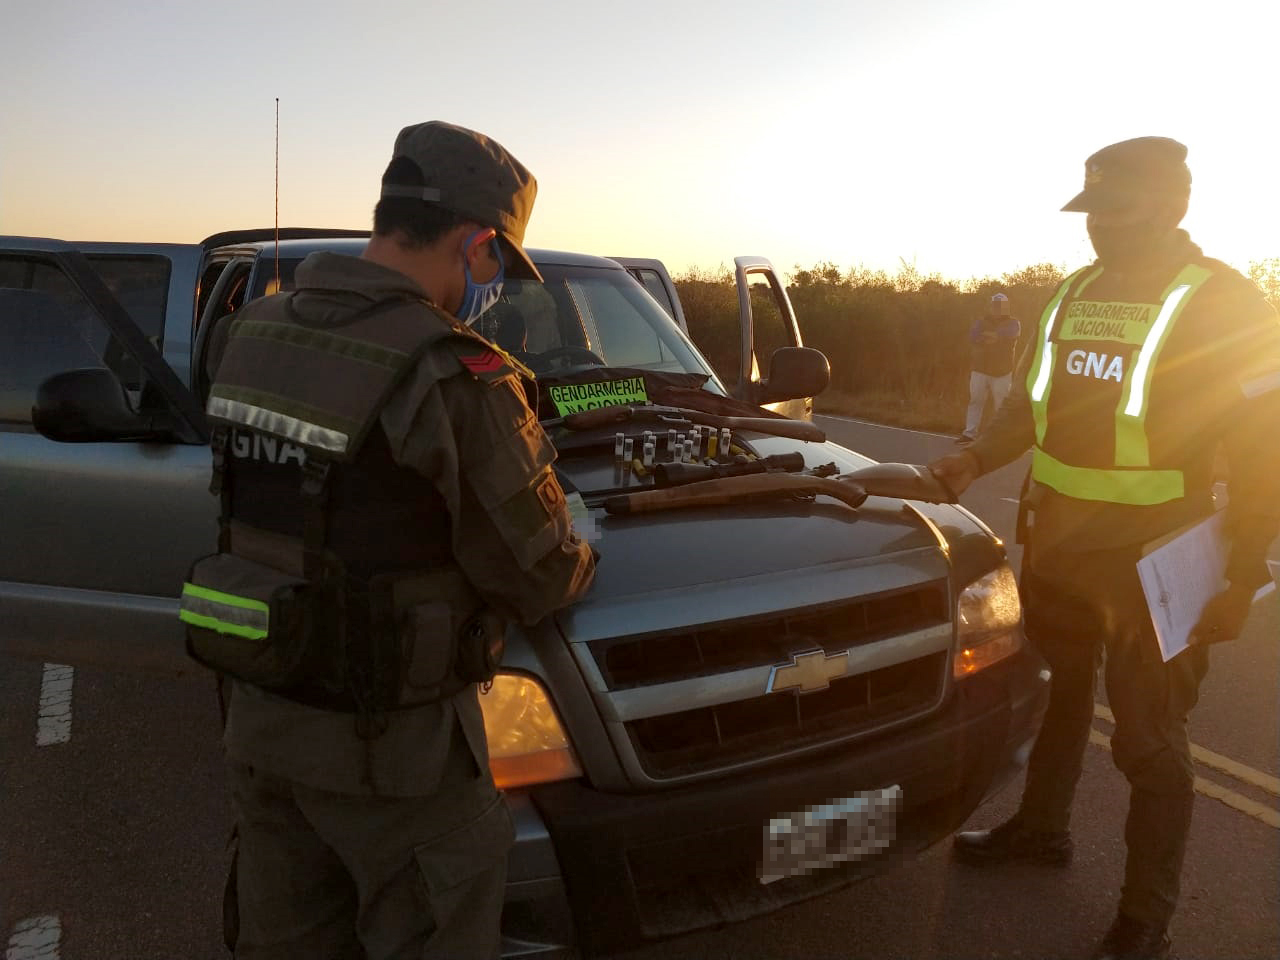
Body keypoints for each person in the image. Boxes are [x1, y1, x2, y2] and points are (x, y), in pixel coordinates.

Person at [187, 121, 596, 959]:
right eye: (494, 265)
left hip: (263, 723)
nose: (489, 287)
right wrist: (581, 534)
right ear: (476, 243)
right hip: (398, 765)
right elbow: (541, 576)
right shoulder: (452, 372)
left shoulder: (249, 335)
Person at [930, 137, 1280, 960]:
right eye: (1090, 214)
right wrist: (975, 456)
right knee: (1056, 696)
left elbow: (1266, 452)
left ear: (1171, 207)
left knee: (1149, 741)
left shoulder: (1226, 302)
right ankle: (1041, 832)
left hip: (1155, 561)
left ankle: (1145, 917)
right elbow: (1029, 407)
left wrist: (1242, 573)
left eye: (1115, 212)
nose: (1098, 230)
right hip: (1059, 545)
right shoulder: (1069, 293)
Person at [958, 292, 1020, 443]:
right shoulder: (981, 321)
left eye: (1000, 306)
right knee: (975, 401)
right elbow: (973, 336)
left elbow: (1009, 334)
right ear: (991, 306)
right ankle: (969, 434)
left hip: (1002, 372)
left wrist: (992, 336)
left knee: (1001, 405)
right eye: (995, 306)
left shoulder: (1014, 323)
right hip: (980, 369)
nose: (997, 309)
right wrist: (996, 337)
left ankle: (1001, 436)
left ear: (1006, 307)